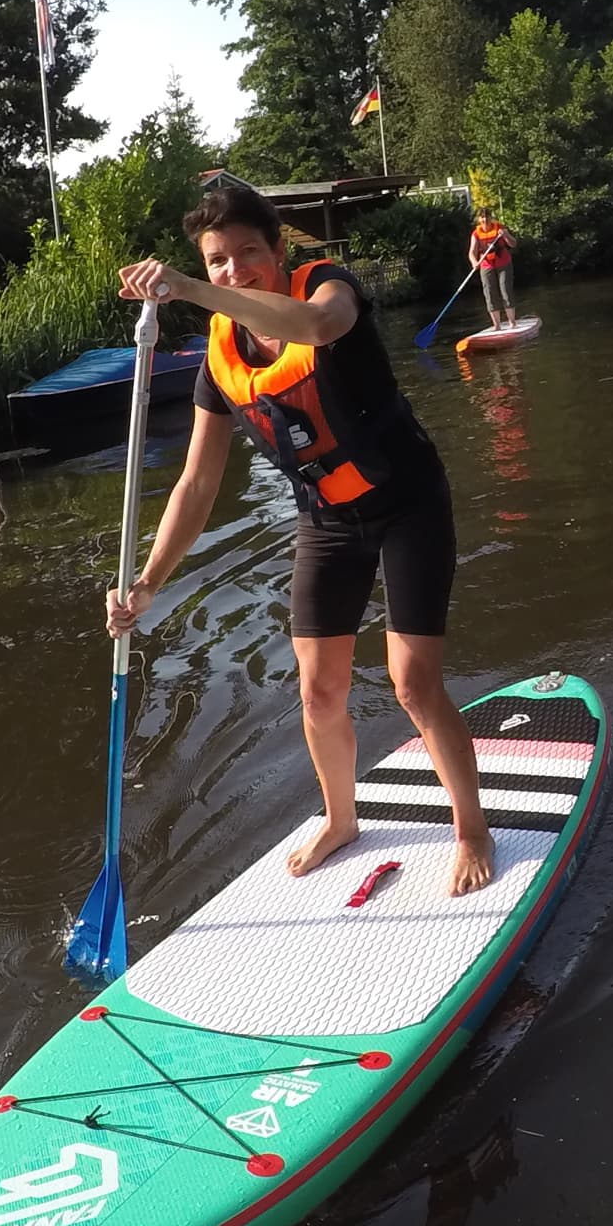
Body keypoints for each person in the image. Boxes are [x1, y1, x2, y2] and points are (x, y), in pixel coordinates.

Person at [106, 178, 498, 895]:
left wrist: (192, 287)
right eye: (217, 261)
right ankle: (342, 818)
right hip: (327, 520)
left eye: (247, 253)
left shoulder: (328, 289)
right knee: (319, 693)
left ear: (278, 251)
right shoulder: (220, 359)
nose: (233, 271)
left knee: (412, 684)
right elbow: (196, 484)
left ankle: (471, 827)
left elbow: (316, 330)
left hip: (407, 501)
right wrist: (146, 582)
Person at [470, 209, 521, 330]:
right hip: (486, 265)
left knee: (505, 290)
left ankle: (512, 322)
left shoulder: (499, 228)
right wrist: (474, 262)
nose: (485, 220)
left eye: (487, 217)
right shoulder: (476, 234)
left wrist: (506, 235)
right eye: (482, 217)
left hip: (503, 263)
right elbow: (472, 252)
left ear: (491, 218)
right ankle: (497, 325)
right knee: (489, 293)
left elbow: (513, 244)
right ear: (479, 219)